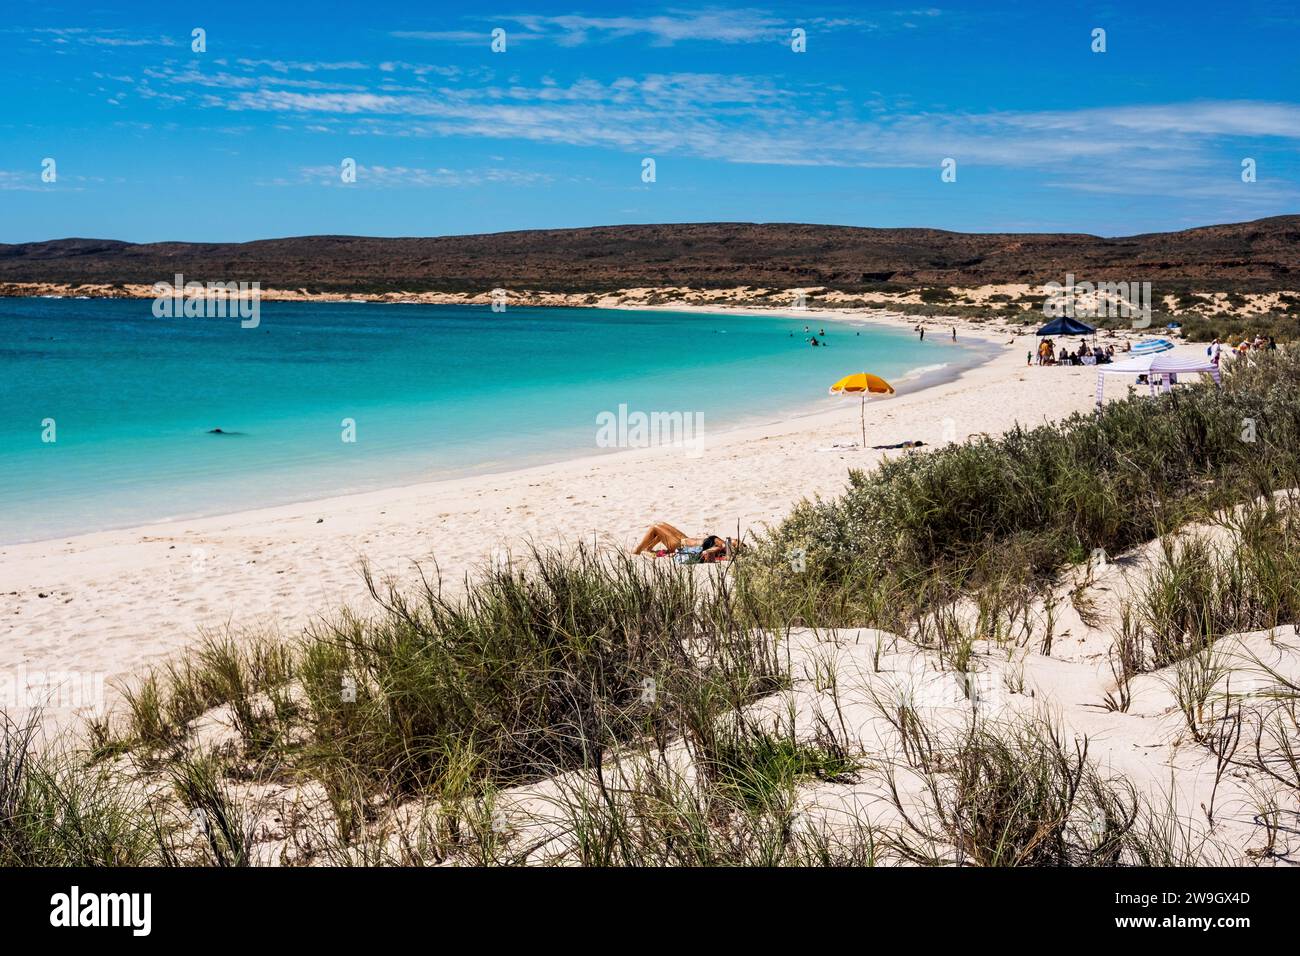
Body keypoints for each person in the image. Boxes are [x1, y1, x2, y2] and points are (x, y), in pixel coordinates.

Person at [633, 523, 737, 562]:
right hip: (684, 539)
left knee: (655, 527)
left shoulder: (719, 546)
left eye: (735, 542)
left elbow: (709, 554)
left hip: (679, 545)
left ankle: (637, 551)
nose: (734, 539)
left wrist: (727, 548)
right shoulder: (719, 544)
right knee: (661, 524)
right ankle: (648, 548)